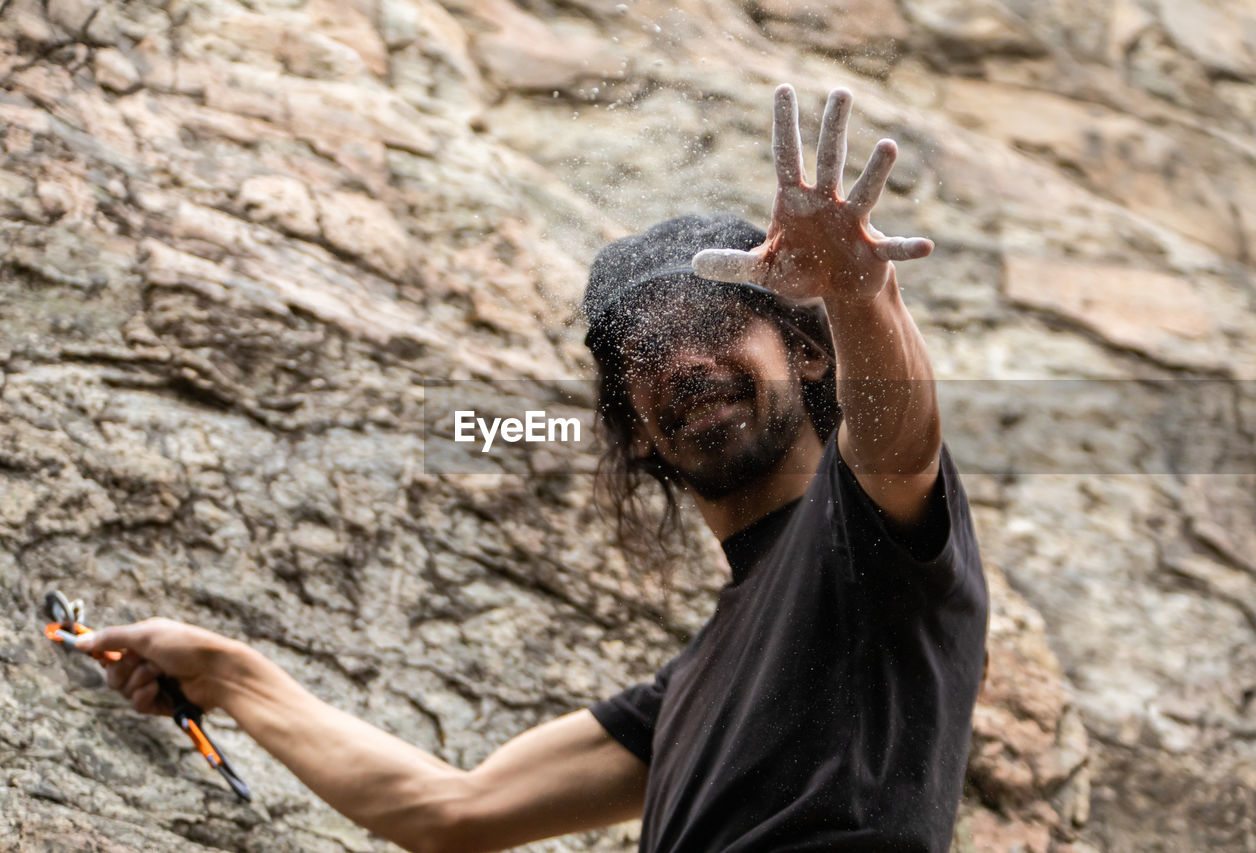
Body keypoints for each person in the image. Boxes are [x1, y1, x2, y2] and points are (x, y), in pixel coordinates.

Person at [78, 85, 988, 853]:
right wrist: (230, 672)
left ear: (810, 355)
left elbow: (896, 439)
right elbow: (449, 810)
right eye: (648, 351)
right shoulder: (693, 688)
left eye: (717, 325)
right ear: (634, 432)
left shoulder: (864, 534)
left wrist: (859, 292)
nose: (683, 361)